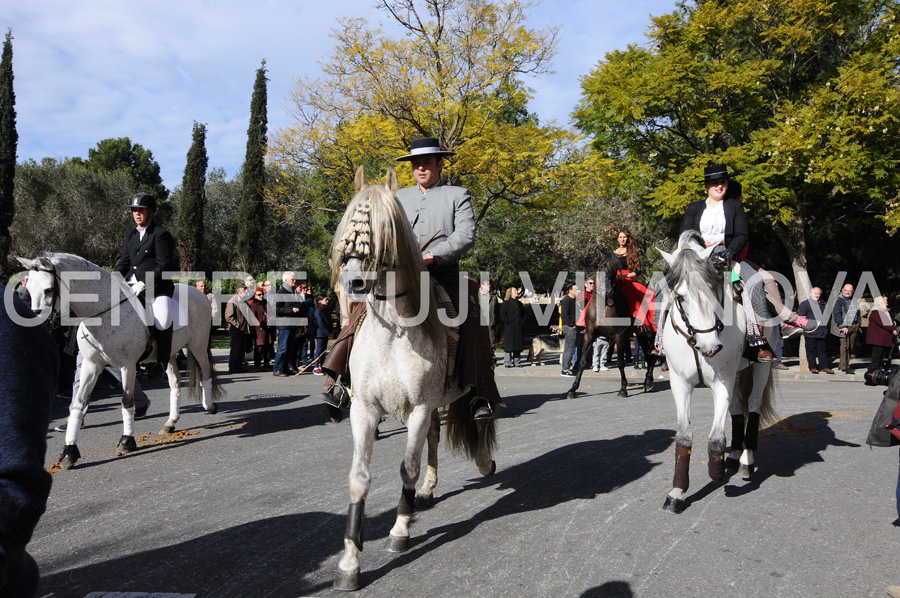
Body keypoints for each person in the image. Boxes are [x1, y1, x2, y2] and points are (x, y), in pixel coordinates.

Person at [320, 137, 501, 420]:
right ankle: (338, 380)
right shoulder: (397, 196)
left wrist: (432, 256)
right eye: (416, 163)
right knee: (362, 310)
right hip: (398, 274)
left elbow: (465, 236)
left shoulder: (457, 194)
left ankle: (478, 393)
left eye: (427, 162)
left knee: (470, 314)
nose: (420, 168)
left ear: (440, 164)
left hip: (441, 272)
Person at [0, 282, 58, 597]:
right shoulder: (133, 235)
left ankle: (157, 352)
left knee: (157, 308)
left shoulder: (158, 235)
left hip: (146, 283)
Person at [113, 192, 176, 372]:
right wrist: (113, 278)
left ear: (151, 212)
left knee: (163, 321)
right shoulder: (131, 234)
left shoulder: (160, 234)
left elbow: (164, 265)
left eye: (141, 210)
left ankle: (161, 362)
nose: (137, 213)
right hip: (131, 286)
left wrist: (146, 282)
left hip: (156, 287)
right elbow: (124, 262)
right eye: (134, 210)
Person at [612, 228, 655, 332]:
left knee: (638, 295)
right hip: (613, 279)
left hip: (627, 279)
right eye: (620, 237)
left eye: (624, 237)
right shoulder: (612, 253)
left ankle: (641, 322)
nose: (622, 239)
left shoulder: (633, 252)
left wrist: (624, 276)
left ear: (628, 238)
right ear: (617, 239)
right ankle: (585, 322)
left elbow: (638, 271)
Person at [272, 272, 302, 377]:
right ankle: (277, 369)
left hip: (292, 324)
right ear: (286, 280)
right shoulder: (281, 293)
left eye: (295, 279)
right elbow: (277, 309)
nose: (295, 281)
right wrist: (291, 310)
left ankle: (285, 368)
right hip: (284, 324)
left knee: (289, 348)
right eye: (292, 279)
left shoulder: (293, 292)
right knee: (283, 348)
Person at [832, 283, 861, 374]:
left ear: (852, 291)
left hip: (854, 325)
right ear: (842, 290)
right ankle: (845, 367)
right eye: (846, 290)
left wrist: (858, 324)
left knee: (850, 347)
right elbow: (837, 314)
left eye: (850, 290)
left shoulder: (854, 300)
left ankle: (842, 365)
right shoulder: (838, 300)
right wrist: (842, 326)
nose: (848, 292)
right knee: (845, 347)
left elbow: (858, 312)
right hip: (845, 326)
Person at [224, 283, 251, 374]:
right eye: (244, 289)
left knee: (241, 350)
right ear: (239, 290)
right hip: (236, 330)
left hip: (244, 330)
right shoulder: (233, 301)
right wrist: (238, 325)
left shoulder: (244, 301)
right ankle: (233, 367)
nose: (246, 291)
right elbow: (229, 316)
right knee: (235, 350)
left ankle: (239, 366)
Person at [247, 286, 273, 371]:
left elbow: (272, 313)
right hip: (259, 329)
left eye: (262, 294)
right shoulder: (253, 305)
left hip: (268, 327)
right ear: (254, 295)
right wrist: (260, 323)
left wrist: (271, 319)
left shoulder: (266, 303)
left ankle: (266, 364)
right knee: (259, 346)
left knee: (268, 346)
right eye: (259, 294)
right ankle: (257, 365)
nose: (261, 296)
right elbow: (251, 317)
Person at [867, 295, 897, 367]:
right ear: (880, 303)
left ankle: (879, 369)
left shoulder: (882, 311)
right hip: (878, 339)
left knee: (881, 355)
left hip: (882, 339)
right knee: (877, 356)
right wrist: (893, 328)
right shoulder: (877, 311)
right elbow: (885, 323)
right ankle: (874, 370)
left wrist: (893, 326)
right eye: (885, 302)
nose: (887, 304)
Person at [501, 286, 525, 368]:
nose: (517, 292)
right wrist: (508, 321)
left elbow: (524, 315)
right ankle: (507, 362)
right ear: (510, 293)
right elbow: (503, 315)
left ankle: (517, 362)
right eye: (515, 291)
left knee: (517, 345)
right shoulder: (506, 303)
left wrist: (522, 322)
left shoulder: (520, 304)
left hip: (518, 327)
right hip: (510, 327)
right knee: (509, 345)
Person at [559, 283, 578, 376]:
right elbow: (564, 315)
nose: (577, 291)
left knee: (569, 348)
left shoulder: (574, 300)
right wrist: (571, 325)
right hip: (569, 327)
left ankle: (566, 368)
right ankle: (565, 369)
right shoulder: (567, 300)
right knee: (570, 348)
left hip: (573, 326)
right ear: (570, 290)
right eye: (575, 289)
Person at [312, 294, 332, 375]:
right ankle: (316, 367)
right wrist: (327, 332)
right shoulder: (318, 311)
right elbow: (320, 323)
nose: (327, 301)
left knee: (324, 350)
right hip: (320, 333)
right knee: (319, 349)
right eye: (325, 299)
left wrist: (331, 332)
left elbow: (329, 321)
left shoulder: (326, 309)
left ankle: (323, 366)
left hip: (326, 332)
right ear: (320, 301)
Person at [478, 279, 498, 348]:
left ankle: (491, 355)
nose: (489, 286)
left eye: (490, 284)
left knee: (491, 340)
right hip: (480, 321)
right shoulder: (477, 296)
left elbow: (497, 310)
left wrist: (497, 322)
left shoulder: (493, 297)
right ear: (482, 286)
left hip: (491, 321)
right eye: (487, 284)